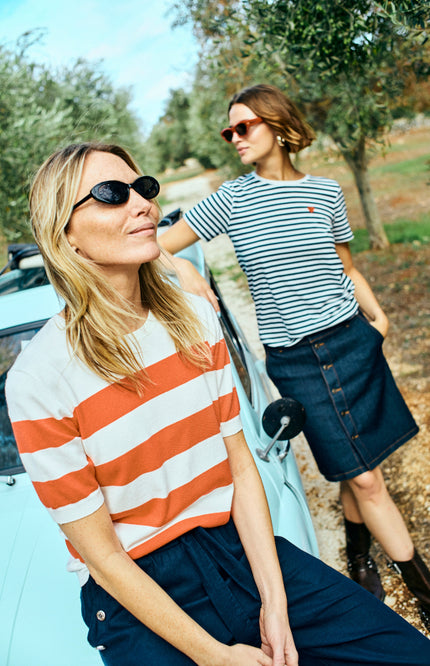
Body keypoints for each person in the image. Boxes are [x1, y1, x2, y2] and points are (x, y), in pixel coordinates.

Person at [6, 142, 430, 666]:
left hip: (236, 548)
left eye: (144, 188)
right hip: (137, 592)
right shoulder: (38, 379)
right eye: (112, 193)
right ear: (64, 233)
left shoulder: (195, 319)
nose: (142, 203)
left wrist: (276, 603)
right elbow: (104, 557)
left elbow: (241, 468)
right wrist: (214, 656)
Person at [158, 84, 430, 628]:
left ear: (278, 126)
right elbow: (156, 244)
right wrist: (184, 267)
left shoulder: (325, 192)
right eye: (229, 130)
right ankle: (423, 591)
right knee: (366, 478)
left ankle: (358, 555)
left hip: (353, 341)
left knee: (360, 468)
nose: (235, 138)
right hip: (297, 361)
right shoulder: (232, 199)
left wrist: (378, 321)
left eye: (245, 126)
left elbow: (346, 267)